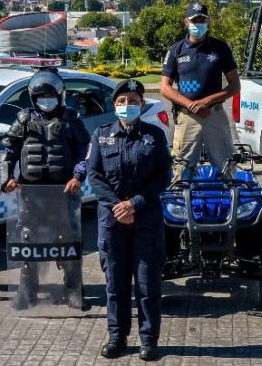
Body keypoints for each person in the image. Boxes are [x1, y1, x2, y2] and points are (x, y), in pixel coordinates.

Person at [87, 79, 171, 362]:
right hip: (112, 221)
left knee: (148, 286)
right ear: (114, 106)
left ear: (142, 105)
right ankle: (117, 337)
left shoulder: (155, 136)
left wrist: (133, 204)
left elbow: (163, 176)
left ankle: (149, 340)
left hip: (146, 219)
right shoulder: (101, 135)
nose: (127, 106)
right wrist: (118, 206)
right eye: (122, 102)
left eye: (133, 101)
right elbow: (94, 176)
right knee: (116, 285)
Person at [0, 69, 90, 310]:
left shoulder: (70, 119)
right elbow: (7, 152)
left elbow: (84, 151)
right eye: (41, 96)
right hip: (31, 193)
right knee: (28, 240)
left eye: (50, 95)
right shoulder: (24, 120)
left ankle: (74, 289)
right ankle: (27, 289)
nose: (45, 100)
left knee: (68, 239)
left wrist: (78, 175)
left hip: (64, 192)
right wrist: (6, 177)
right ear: (33, 97)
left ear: (59, 95)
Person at [160, 2, 240, 178]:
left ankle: (228, 204)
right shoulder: (176, 50)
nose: (198, 24)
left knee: (227, 167)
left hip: (214, 115)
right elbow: (165, 87)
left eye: (202, 20)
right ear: (186, 23)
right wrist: (191, 105)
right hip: (187, 117)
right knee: (181, 170)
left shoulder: (220, 48)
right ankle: (181, 206)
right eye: (194, 20)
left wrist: (207, 102)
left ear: (207, 22)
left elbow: (235, 86)